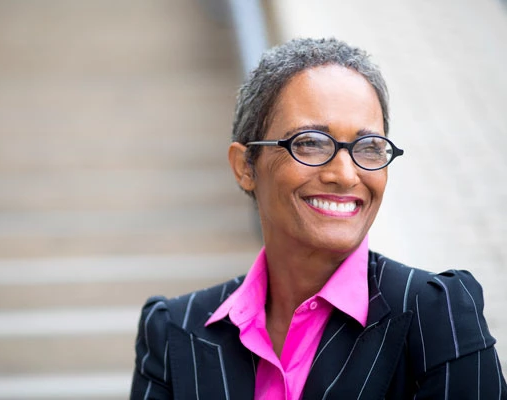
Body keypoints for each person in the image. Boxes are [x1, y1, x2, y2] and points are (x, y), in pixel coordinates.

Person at [130, 37, 507, 399]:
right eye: (310, 142)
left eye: (369, 147)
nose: (345, 175)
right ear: (245, 166)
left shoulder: (437, 315)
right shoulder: (172, 331)